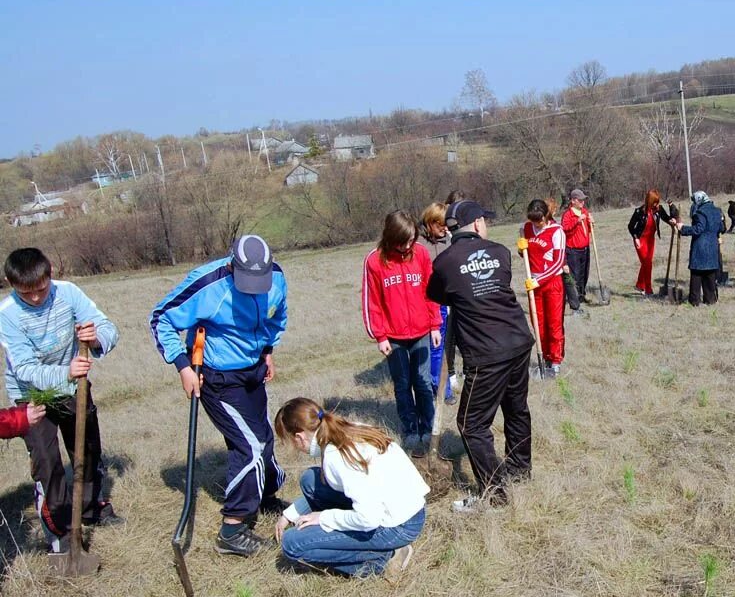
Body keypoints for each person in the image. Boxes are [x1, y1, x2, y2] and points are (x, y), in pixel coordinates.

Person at [150, 234, 287, 557]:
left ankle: (264, 495)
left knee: (263, 437)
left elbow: (276, 316)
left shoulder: (276, 277)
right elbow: (162, 319)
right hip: (217, 378)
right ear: (232, 265)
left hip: (252, 370)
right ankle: (233, 529)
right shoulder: (207, 284)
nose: (254, 286)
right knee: (250, 445)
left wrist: (268, 350)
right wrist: (182, 366)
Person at [1, 248, 123, 553]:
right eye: (26, 293)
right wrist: (65, 373)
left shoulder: (68, 293)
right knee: (47, 463)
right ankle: (61, 530)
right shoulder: (7, 315)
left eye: (41, 289)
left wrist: (94, 337)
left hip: (73, 386)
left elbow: (109, 329)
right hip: (31, 396)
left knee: (88, 450)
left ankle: (89, 507)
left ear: (50, 273)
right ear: (10, 283)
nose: (36, 299)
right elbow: (25, 369)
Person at [427, 201, 534, 510]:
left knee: (472, 424)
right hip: (517, 340)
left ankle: (495, 493)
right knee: (516, 409)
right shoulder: (500, 252)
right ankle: (518, 470)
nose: (486, 225)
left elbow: (437, 294)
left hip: (487, 353)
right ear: (476, 225)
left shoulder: (445, 262)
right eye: (485, 220)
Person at [273, 398, 428, 577]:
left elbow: (369, 518)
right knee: (310, 479)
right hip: (406, 509)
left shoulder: (336, 456)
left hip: (398, 525)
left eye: (289, 442)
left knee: (292, 543)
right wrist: (289, 514)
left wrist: (324, 517)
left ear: (299, 437)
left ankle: (383, 558)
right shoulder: (344, 427)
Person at [363, 210, 441, 457]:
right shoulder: (375, 261)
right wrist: (380, 336)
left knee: (423, 381)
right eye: (403, 241)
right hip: (393, 336)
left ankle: (427, 427)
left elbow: (432, 292)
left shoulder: (421, 254)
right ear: (390, 237)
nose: (408, 246)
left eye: (411, 240)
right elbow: (372, 302)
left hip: (421, 332)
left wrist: (435, 325)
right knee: (403, 383)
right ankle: (410, 429)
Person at [521, 199, 566, 375]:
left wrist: (540, 280)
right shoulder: (526, 229)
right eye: (532, 221)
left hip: (552, 283)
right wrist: (521, 250)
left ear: (545, 216)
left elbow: (559, 262)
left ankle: (555, 361)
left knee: (554, 323)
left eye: (538, 220)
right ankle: (545, 357)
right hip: (534, 285)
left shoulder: (557, 231)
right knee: (538, 324)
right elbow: (527, 256)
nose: (535, 224)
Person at [419, 203, 455, 406]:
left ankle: (444, 385)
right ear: (430, 222)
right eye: (440, 225)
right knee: (435, 347)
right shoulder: (418, 244)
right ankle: (441, 389)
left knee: (442, 347)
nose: (444, 229)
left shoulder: (448, 241)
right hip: (426, 300)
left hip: (445, 300)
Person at [669, 191, 723, 306]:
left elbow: (698, 229)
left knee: (697, 275)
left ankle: (694, 301)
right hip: (713, 247)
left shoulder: (700, 213)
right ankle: (710, 300)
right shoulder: (717, 211)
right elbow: (721, 228)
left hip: (700, 247)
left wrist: (682, 228)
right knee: (710, 275)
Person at [627, 190, 667, 296]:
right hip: (640, 240)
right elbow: (630, 226)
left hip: (650, 240)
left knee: (647, 263)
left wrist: (673, 219)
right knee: (647, 263)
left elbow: (667, 218)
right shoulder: (639, 212)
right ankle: (648, 290)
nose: (657, 204)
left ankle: (640, 285)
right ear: (650, 201)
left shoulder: (658, 210)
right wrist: (635, 238)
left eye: (658, 202)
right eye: (655, 202)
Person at [560, 188, 593, 310]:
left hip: (585, 248)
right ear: (573, 201)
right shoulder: (568, 215)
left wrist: (591, 223)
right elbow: (565, 230)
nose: (583, 203)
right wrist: (577, 222)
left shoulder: (584, 211)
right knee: (575, 275)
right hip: (573, 250)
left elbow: (588, 230)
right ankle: (575, 298)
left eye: (583, 200)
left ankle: (582, 295)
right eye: (580, 200)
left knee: (584, 273)